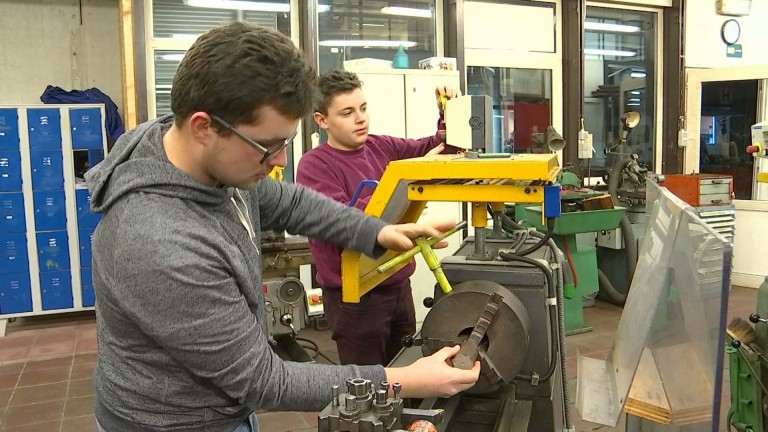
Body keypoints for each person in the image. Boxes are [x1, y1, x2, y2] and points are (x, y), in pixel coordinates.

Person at [85, 23, 479, 432]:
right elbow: (262, 381)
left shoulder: (206, 162)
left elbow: (288, 202)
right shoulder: (159, 243)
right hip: (177, 423)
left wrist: (373, 231)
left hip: (225, 405)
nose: (279, 161)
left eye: (286, 142)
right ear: (204, 127)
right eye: (268, 145)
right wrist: (407, 379)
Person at [295, 69, 460, 366]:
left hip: (397, 284)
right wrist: (405, 176)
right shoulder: (314, 165)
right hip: (356, 297)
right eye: (347, 112)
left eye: (363, 108)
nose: (360, 118)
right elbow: (343, 221)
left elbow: (440, 149)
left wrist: (450, 112)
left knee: (406, 371)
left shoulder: (381, 146)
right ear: (322, 120)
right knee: (367, 390)